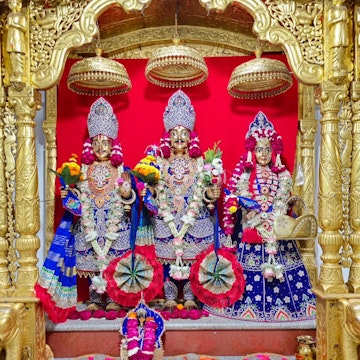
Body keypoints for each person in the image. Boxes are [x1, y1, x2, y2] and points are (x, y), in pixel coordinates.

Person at [206, 111, 316, 322]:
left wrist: (275, 214)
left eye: (267, 149)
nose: (263, 154)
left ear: (273, 151)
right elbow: (238, 195)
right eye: (259, 149)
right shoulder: (245, 173)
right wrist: (254, 213)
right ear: (252, 151)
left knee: (282, 266)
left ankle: (286, 307)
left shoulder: (281, 173)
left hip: (275, 225)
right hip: (253, 224)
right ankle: (249, 307)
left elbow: (284, 195)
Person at [143, 90, 225, 309]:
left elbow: (206, 192)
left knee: (192, 258)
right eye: (175, 133)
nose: (179, 137)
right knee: (168, 258)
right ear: (168, 136)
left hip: (194, 218)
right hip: (166, 218)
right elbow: (153, 191)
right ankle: (170, 296)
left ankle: (190, 296)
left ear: (191, 137)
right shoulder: (158, 162)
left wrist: (212, 193)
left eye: (184, 133)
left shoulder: (200, 163)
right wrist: (146, 190)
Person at [65, 97, 137, 311]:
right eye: (95, 143)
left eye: (105, 143)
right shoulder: (82, 169)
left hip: (115, 222)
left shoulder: (122, 169)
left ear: (113, 145)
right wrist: (69, 194)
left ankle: (114, 297)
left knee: (115, 260)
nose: (100, 147)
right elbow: (76, 198)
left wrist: (126, 193)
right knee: (92, 257)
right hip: (91, 222)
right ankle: (95, 299)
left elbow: (129, 198)